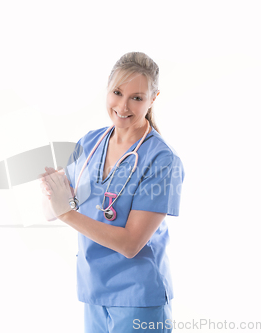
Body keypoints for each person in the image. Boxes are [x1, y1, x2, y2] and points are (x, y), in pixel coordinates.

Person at [39, 52, 184, 333]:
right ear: (107, 90)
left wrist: (65, 211)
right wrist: (51, 191)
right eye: (117, 92)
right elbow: (50, 211)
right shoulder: (90, 143)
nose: (123, 105)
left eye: (137, 97)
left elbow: (131, 244)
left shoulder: (161, 159)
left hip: (138, 297)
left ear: (153, 99)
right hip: (94, 292)